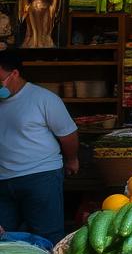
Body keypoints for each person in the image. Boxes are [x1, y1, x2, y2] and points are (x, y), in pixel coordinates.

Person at [0, 50, 79, 242]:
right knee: (6, 239)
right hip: (3, 180)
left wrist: (72, 160)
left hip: (41, 176)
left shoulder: (44, 99)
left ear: (15, 74)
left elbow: (67, 134)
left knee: (47, 235)